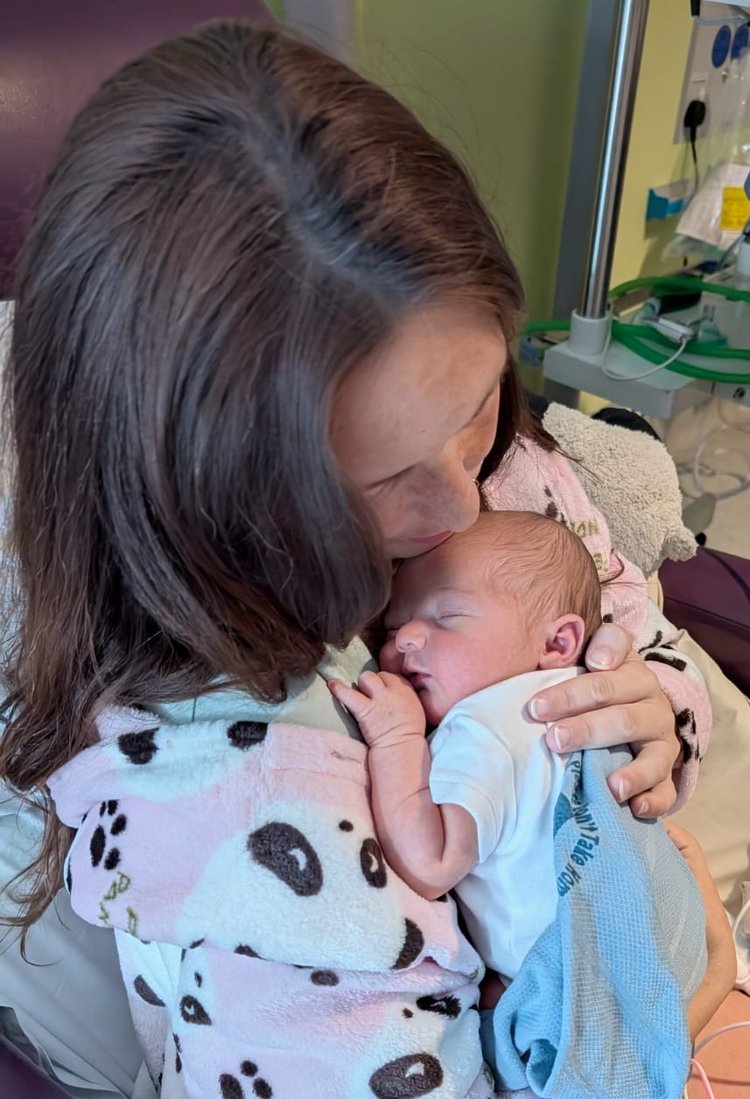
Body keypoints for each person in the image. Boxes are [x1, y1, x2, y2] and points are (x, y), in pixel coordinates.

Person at [0, 19, 731, 1099]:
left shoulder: (508, 474)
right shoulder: (246, 780)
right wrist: (698, 991)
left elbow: (639, 622)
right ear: (217, 499)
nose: (462, 504)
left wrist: (657, 719)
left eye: (476, 402)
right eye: (381, 482)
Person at [330, 509, 707, 1098]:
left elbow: (429, 864)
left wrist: (398, 740)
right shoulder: (585, 702)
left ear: (558, 642)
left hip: (571, 992)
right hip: (669, 946)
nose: (404, 640)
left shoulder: (483, 723)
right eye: (393, 627)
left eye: (446, 618)